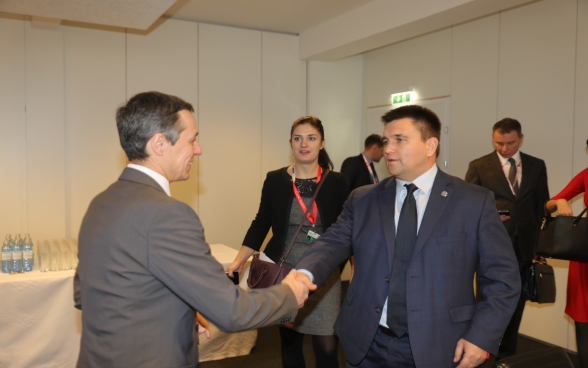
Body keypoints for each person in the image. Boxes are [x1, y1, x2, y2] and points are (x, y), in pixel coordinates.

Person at [73, 91, 311, 368]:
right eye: (192, 139)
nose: (198, 149)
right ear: (159, 143)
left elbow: (86, 293)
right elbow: (231, 311)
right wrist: (288, 293)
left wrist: (180, 310)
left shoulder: (100, 203)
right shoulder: (168, 215)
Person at [295, 105, 521, 368]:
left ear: (430, 145)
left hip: (440, 344)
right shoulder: (364, 199)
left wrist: (482, 336)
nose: (388, 149)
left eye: (399, 140)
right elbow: (332, 242)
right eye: (386, 141)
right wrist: (304, 275)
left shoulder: (473, 202)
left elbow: (502, 279)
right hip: (367, 341)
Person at [226, 116, 349, 368]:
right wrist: (239, 261)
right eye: (298, 138)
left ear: (322, 143)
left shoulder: (337, 182)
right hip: (285, 272)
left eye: (311, 138)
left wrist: (356, 270)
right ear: (291, 143)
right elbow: (261, 222)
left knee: (327, 345)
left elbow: (348, 230)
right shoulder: (275, 179)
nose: (304, 144)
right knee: (290, 343)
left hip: (324, 273)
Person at [465, 118, 550, 359]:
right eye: (499, 143)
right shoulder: (479, 165)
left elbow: (541, 205)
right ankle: (482, 349)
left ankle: (507, 356)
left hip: (524, 247)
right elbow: (467, 207)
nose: (504, 149)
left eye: (510, 143)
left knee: (517, 303)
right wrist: (489, 217)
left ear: (520, 139)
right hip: (489, 246)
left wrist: (541, 245)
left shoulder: (536, 165)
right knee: (488, 302)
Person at [545, 144, 588, 368]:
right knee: (583, 322)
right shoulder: (586, 175)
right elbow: (548, 206)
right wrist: (560, 201)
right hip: (584, 258)